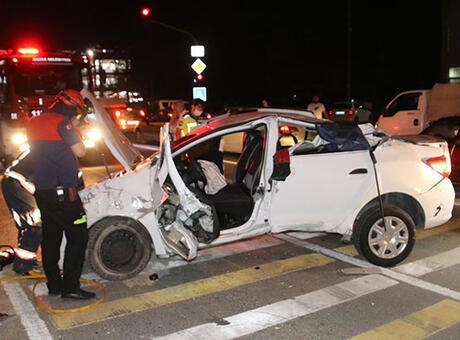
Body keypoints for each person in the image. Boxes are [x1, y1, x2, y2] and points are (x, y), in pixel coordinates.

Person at [26, 89, 95, 300]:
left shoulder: (33, 122)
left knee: (51, 238)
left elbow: (55, 136)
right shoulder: (62, 123)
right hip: (63, 193)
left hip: (43, 192)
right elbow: (81, 151)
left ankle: (54, 285)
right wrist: (77, 131)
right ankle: (71, 287)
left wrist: (74, 124)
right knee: (78, 236)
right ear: (70, 105)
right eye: (76, 110)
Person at [1, 150, 42, 275]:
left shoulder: (41, 145)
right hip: (17, 183)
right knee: (35, 222)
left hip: (15, 181)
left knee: (30, 222)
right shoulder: (53, 151)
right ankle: (24, 266)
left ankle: (25, 261)